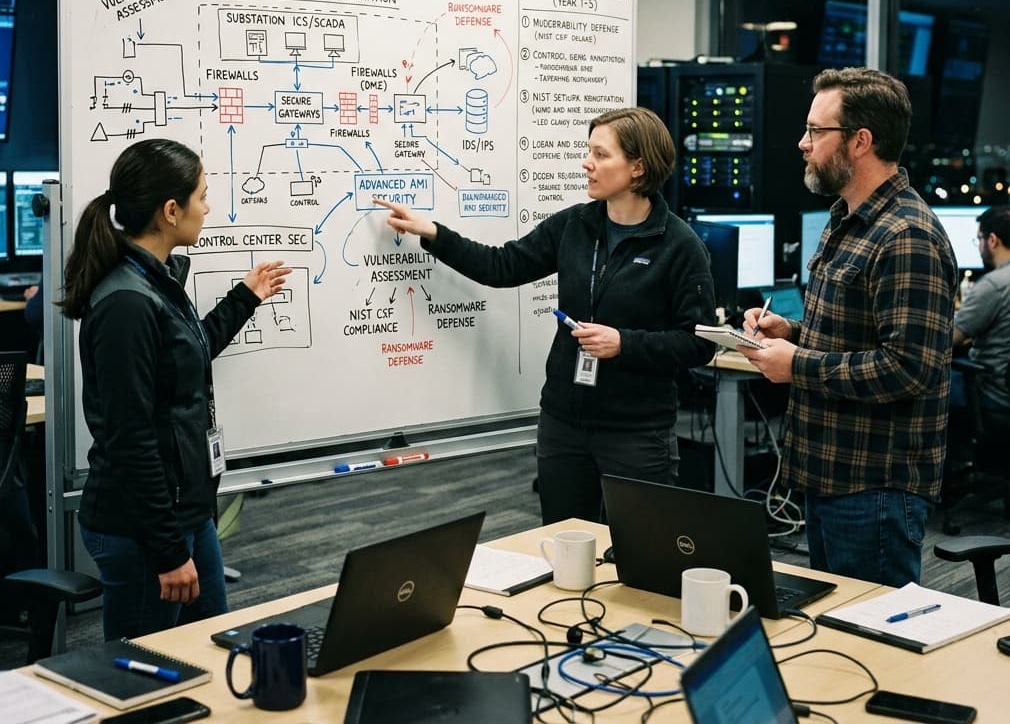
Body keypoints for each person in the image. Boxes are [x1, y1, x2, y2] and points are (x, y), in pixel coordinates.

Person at [375, 107, 717, 525]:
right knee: (565, 548)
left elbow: (698, 342)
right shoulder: (574, 225)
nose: (586, 163)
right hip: (563, 424)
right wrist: (433, 233)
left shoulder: (680, 245)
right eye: (587, 150)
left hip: (637, 433)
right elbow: (502, 266)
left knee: (642, 556)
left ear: (638, 167)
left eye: (600, 154)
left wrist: (623, 343)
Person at [60, 138, 290, 640]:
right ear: (170, 210)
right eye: (202, 196)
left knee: (209, 650)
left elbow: (189, 351)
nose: (207, 208)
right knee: (143, 677)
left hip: (186, 512)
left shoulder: (156, 281)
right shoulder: (127, 302)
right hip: (142, 528)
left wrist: (245, 297)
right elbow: (130, 437)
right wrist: (167, 552)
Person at [739, 67, 957, 587]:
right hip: (828, 472)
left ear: (860, 141)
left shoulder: (906, 236)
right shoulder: (846, 218)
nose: (802, 143)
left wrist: (798, 365)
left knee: (876, 643)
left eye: (817, 132)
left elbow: (907, 369)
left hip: (874, 484)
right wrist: (789, 332)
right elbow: (852, 332)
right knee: (841, 634)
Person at [952, 205, 1010, 410]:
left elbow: (951, 339)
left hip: (994, 394)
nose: (978, 245)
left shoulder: (993, 285)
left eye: (979, 239)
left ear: (992, 240)